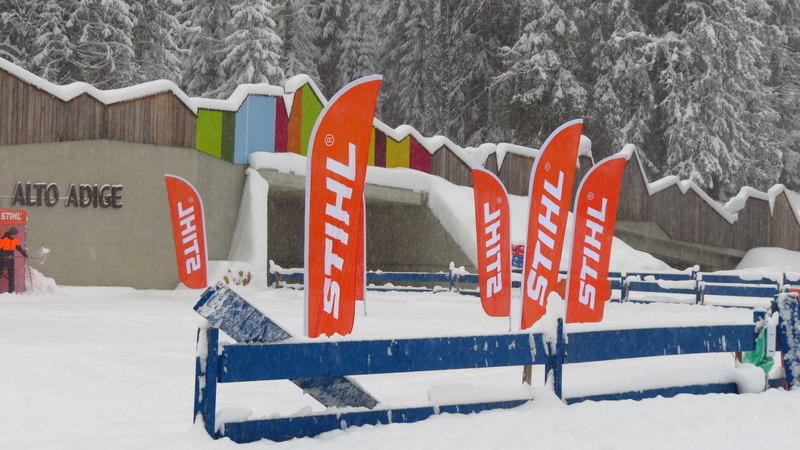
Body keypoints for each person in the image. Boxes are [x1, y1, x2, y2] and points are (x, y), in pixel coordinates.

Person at [0, 227, 28, 293]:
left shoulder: (15, 240)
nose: (15, 236)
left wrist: (24, 254)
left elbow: (19, 248)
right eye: (14, 234)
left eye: (16, 234)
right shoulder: (3, 240)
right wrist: (5, 255)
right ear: (11, 234)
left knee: (11, 275)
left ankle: (11, 292)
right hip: (3, 260)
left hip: (11, 260)